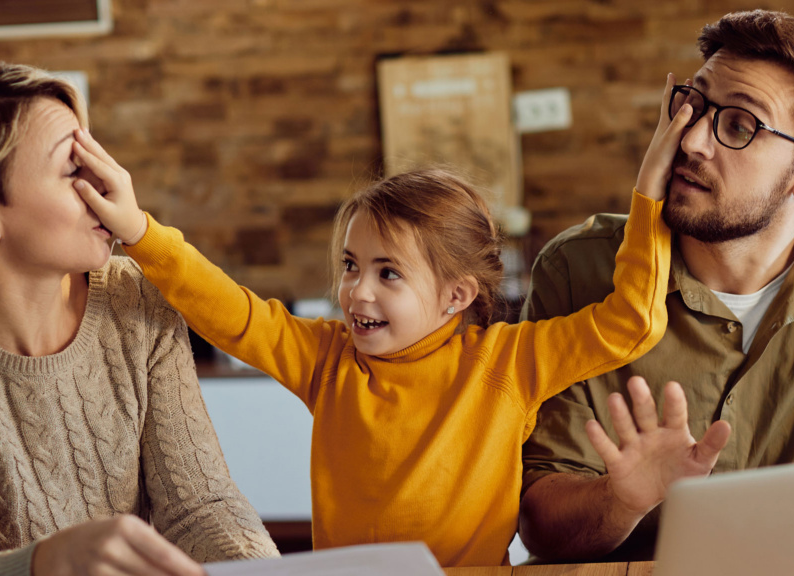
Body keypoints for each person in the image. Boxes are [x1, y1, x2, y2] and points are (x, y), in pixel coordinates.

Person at [64, 80, 699, 564]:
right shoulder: (326, 358)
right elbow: (233, 313)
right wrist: (140, 232)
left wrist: (649, 194)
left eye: (387, 273)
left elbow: (631, 323)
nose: (355, 291)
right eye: (350, 265)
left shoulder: (508, 361)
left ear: (455, 296)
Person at [517, 9, 794, 563]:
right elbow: (538, 524)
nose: (693, 140)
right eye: (694, 104)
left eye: (738, 125)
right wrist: (621, 499)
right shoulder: (577, 271)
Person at [0, 60, 278, 576]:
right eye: (73, 168)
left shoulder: (136, 297)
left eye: (95, 155)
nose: (110, 184)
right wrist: (45, 563)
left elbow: (201, 507)